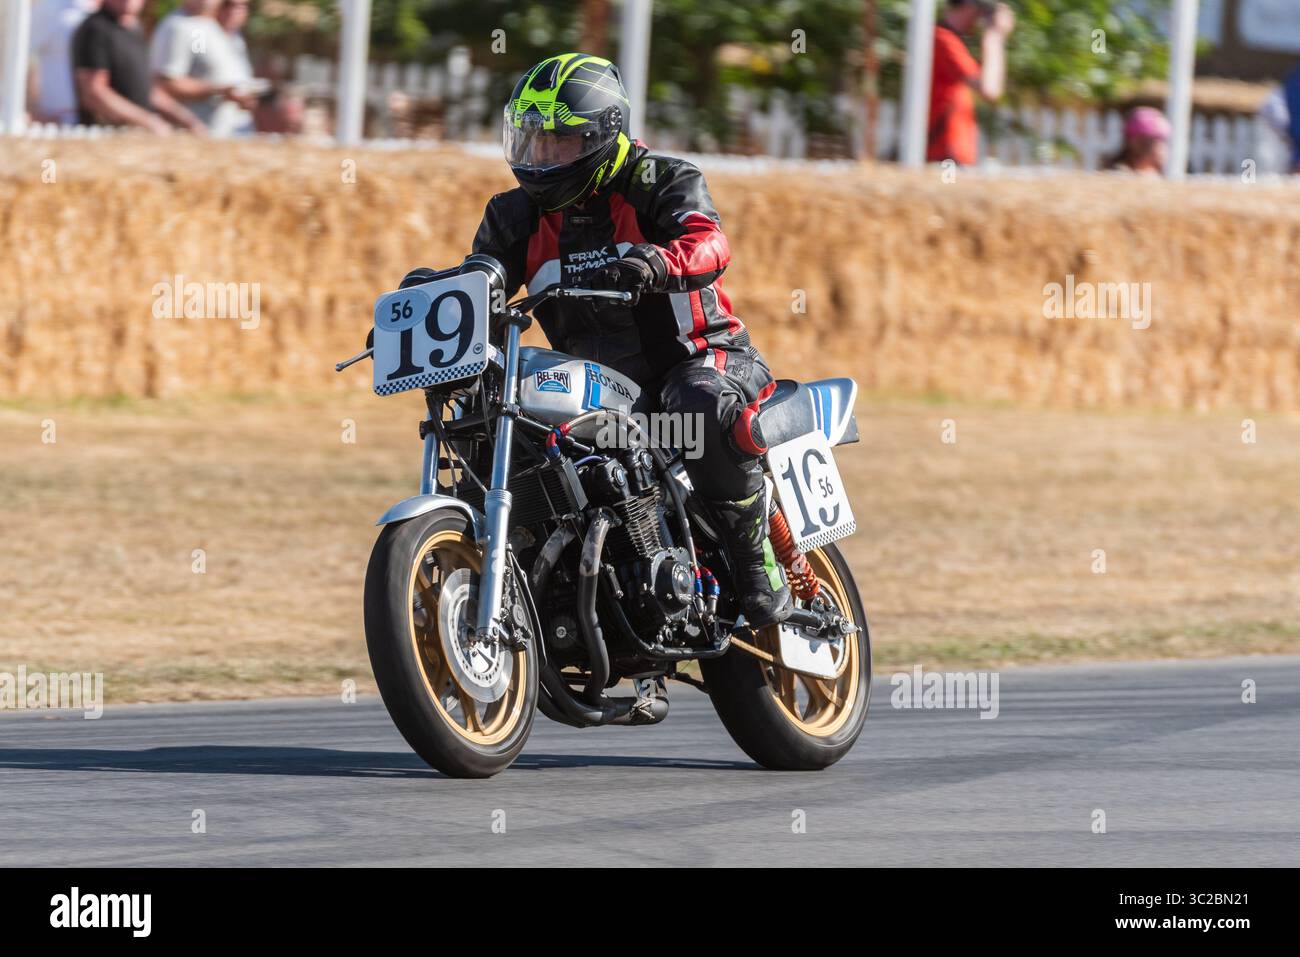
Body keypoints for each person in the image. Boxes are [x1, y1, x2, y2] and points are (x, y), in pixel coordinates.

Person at [464, 53, 791, 626]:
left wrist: (659, 262)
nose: (541, 159)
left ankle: (755, 566)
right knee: (489, 415)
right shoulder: (513, 216)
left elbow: (711, 243)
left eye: (560, 143)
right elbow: (480, 280)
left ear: (603, 135)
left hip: (697, 359)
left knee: (698, 408)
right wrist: (436, 308)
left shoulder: (661, 179)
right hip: (601, 392)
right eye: (532, 142)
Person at [72, 0, 203, 133]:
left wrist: (187, 120)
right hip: (110, 137)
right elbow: (94, 93)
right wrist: (148, 122)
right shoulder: (96, 29)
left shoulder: (134, 28)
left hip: (137, 136)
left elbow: (147, 90)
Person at [927, 0, 1016, 165]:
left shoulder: (947, 39)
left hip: (949, 155)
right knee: (948, 188)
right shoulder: (942, 38)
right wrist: (995, 36)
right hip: (944, 156)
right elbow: (990, 89)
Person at [150, 0, 254, 137]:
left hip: (228, 135)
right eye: (230, 5)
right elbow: (166, 83)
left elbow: (201, 63)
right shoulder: (186, 26)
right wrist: (221, 91)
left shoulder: (205, 25)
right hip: (202, 136)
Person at [27, 0, 100, 126]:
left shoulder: (117, 8)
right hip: (61, 124)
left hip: (104, 125)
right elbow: (14, 56)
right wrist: (29, 111)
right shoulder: (52, 7)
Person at [1105, 107, 1170, 175]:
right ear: (1134, 142)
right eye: (1154, 141)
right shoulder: (1119, 175)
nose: (1162, 148)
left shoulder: (1155, 176)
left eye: (1163, 141)